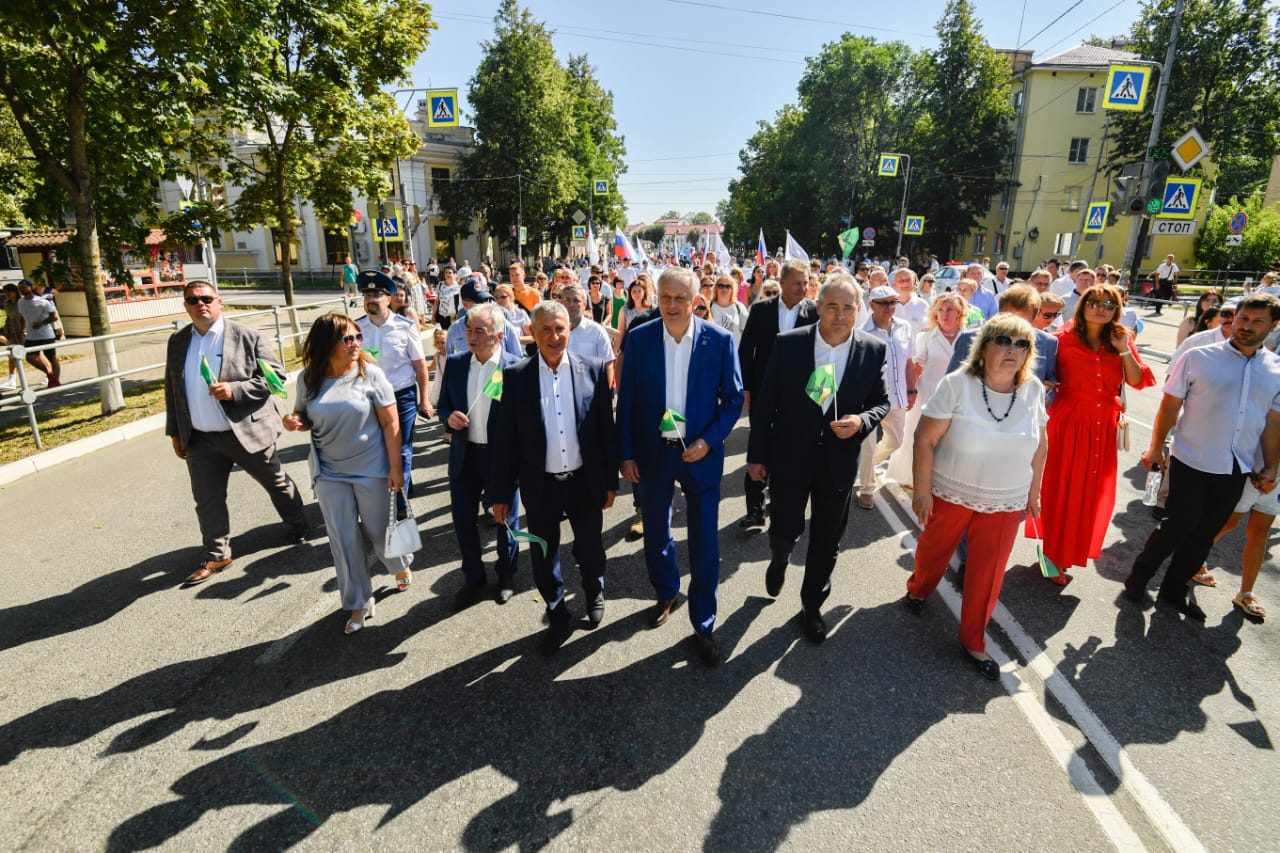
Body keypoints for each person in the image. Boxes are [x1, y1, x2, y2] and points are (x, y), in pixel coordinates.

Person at [904, 313, 1048, 679]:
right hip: (953, 489)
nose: (1012, 350)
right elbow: (925, 438)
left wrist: (1034, 490)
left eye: (1022, 344)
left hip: (1007, 497)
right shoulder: (958, 384)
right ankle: (919, 589)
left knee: (988, 572)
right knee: (935, 549)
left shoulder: (1033, 390)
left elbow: (1041, 443)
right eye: (1003, 340)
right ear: (984, 347)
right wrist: (922, 490)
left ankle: (973, 640)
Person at [747, 273, 889, 641]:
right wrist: (756, 456)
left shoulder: (873, 349)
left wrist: (861, 420)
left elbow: (882, 402)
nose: (840, 315)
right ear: (818, 306)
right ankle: (778, 559)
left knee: (827, 540)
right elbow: (765, 405)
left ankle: (812, 604)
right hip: (790, 456)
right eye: (832, 306)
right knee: (784, 528)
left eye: (848, 307)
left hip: (838, 462)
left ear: (858, 310)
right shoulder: (789, 344)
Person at [1124, 294, 1280, 619]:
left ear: (1274, 326)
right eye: (1242, 319)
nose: (1245, 327)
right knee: (1178, 525)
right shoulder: (1198, 357)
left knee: (1205, 534)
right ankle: (1139, 577)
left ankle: (1174, 588)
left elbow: (1272, 423)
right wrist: (1155, 448)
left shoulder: (1275, 370)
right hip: (1191, 459)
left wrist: (1270, 466)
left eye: (1256, 322)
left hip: (1236, 467)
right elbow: (1170, 405)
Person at [618, 266, 744, 665]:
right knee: (657, 531)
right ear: (656, 298)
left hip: (700, 454)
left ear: (696, 302)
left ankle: (704, 622)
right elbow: (628, 401)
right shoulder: (638, 340)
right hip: (654, 453)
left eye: (680, 299)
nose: (671, 306)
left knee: (705, 541)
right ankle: (666, 590)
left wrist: (709, 440)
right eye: (665, 297)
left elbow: (733, 399)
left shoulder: (720, 341)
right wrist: (626, 453)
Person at [490, 301, 617, 655]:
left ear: (570, 330)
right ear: (532, 332)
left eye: (559, 328)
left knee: (591, 548)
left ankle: (594, 590)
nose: (554, 336)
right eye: (545, 329)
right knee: (543, 557)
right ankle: (557, 611)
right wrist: (501, 494)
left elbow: (606, 430)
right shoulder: (515, 377)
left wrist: (610, 482)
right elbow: (504, 442)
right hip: (540, 484)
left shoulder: (592, 370)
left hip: (584, 481)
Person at [164, 282, 308, 585]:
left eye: (206, 299)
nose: (200, 304)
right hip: (201, 437)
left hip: (245, 429)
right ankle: (218, 555)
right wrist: (175, 432)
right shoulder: (178, 342)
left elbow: (275, 379)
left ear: (219, 302)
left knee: (276, 483)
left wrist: (235, 390)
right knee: (207, 499)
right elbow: (172, 389)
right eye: (192, 300)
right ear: (186, 306)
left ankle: (299, 524)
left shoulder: (247, 337)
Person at [284, 313, 410, 634]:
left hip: (372, 469)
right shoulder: (308, 378)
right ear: (328, 343)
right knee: (343, 539)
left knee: (380, 532)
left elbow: (390, 423)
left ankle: (398, 563)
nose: (355, 343)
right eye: (347, 339)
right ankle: (358, 601)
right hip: (329, 473)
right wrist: (295, 420)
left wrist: (396, 469)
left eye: (357, 337)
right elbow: (304, 413)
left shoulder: (372, 374)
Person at [1029, 284, 1155, 583]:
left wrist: (1124, 347)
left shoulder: (1120, 340)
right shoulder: (1060, 340)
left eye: (1109, 304)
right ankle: (1052, 554)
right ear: (1083, 305)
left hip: (1102, 428)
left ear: (1117, 310)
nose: (1101, 307)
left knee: (1090, 494)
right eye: (1094, 302)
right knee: (1061, 491)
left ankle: (1068, 552)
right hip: (1067, 424)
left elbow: (1137, 381)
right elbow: (1036, 378)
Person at [438, 302, 525, 609]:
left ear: (499, 336)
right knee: (463, 521)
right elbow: (443, 405)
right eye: (468, 329)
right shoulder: (457, 362)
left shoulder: (515, 368)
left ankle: (506, 574)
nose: (471, 336)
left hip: (501, 459)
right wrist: (448, 418)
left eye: (480, 331)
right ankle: (473, 577)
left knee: (506, 521)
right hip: (465, 455)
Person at [736, 259, 818, 528]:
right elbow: (746, 352)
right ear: (781, 282)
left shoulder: (815, 313)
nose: (803, 288)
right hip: (762, 391)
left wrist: (819, 395)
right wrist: (746, 387)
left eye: (806, 283)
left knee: (790, 448)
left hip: (800, 397)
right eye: (797, 283)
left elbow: (824, 357)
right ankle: (755, 509)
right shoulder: (761, 310)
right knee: (758, 444)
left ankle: (782, 499)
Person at [356, 271, 429, 505]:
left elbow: (420, 366)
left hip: (402, 395)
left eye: (377, 294)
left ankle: (399, 504)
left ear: (389, 298)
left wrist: (424, 399)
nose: (371, 299)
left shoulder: (405, 327)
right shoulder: (355, 329)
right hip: (369, 397)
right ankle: (396, 484)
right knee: (378, 448)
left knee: (402, 448)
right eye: (367, 294)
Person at [887, 292, 967, 487]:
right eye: (940, 309)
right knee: (918, 434)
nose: (945, 314)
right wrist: (910, 392)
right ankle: (912, 475)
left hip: (960, 395)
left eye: (950, 309)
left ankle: (945, 478)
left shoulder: (969, 337)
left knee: (953, 438)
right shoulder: (926, 337)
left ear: (959, 313)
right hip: (928, 393)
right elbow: (915, 367)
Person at [857, 284, 916, 509]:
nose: (890, 307)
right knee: (868, 445)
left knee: (896, 440)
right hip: (870, 400)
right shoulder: (862, 331)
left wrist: (912, 389)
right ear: (872, 305)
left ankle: (866, 467)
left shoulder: (904, 327)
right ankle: (867, 488)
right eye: (884, 303)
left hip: (898, 395)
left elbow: (909, 361)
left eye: (893, 302)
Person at [560, 283, 616, 385]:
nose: (571, 304)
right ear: (561, 303)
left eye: (576, 300)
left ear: (584, 305)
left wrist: (604, 395)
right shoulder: (553, 331)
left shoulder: (597, 332)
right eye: (567, 300)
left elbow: (608, 364)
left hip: (589, 394)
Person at [15, 279, 60, 387]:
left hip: (46, 335)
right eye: (20, 288)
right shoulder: (20, 302)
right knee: (29, 358)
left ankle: (55, 380)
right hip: (31, 337)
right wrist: (23, 331)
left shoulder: (42, 301)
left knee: (52, 358)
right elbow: (22, 317)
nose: (22, 289)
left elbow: (54, 317)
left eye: (24, 287)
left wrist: (41, 323)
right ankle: (49, 374)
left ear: (30, 288)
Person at [709, 272, 749, 343]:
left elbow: (747, 332)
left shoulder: (739, 307)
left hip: (734, 351)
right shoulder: (708, 306)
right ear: (716, 288)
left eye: (728, 286)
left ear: (733, 289)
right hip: (712, 351)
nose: (724, 289)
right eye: (721, 286)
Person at [891, 268, 930, 336]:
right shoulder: (885, 305)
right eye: (901, 280)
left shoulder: (923, 305)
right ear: (894, 283)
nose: (905, 283)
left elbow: (929, 331)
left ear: (913, 283)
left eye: (908, 280)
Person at [2, 283, 23, 389]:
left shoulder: (22, 302)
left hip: (23, 332)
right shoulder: (7, 303)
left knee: (35, 355)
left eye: (9, 292)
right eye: (5, 292)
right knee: (11, 354)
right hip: (13, 332)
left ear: (15, 292)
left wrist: (25, 331)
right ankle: (12, 380)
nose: (7, 294)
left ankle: (49, 374)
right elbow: (9, 317)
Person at [433, 266, 461, 330]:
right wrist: (433, 316)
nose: (447, 274)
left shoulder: (458, 287)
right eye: (446, 272)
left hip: (453, 316)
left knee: (454, 335)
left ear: (455, 274)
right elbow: (436, 301)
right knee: (445, 335)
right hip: (442, 316)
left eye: (450, 272)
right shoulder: (440, 285)